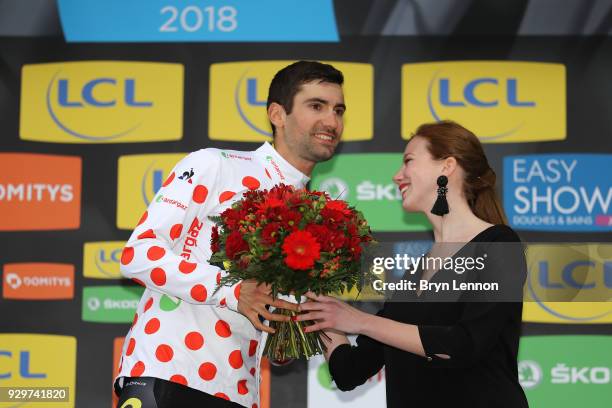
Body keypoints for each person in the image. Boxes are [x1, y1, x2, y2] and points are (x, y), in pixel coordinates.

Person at [114, 60, 347, 408]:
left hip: (239, 390)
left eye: (338, 110)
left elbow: (276, 342)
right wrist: (235, 291)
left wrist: (289, 329)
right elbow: (138, 255)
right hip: (169, 369)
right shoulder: (215, 164)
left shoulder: (315, 217)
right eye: (317, 106)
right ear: (277, 114)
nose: (331, 121)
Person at [298, 120, 529, 407]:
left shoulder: (498, 244)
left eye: (408, 161)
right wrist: (318, 306)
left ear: (447, 167)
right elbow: (350, 371)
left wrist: (360, 321)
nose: (397, 176)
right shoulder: (413, 276)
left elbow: (463, 345)